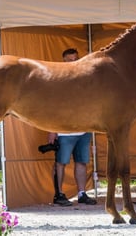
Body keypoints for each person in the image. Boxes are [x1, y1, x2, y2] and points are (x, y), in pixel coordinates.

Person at [48, 48, 97, 207]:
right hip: (63, 131)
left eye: (75, 59)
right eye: (68, 60)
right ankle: (59, 194)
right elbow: (52, 107)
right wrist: (51, 130)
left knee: (82, 162)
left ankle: (82, 193)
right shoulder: (57, 80)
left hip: (84, 129)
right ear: (63, 61)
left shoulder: (85, 79)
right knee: (60, 163)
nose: (72, 63)